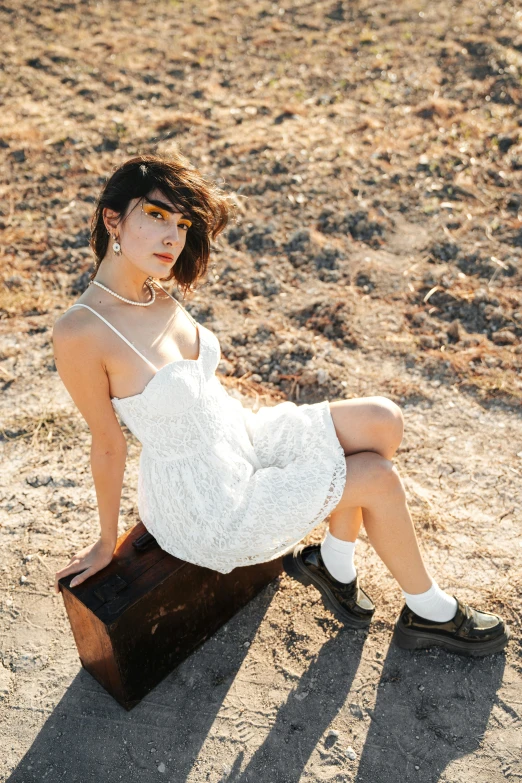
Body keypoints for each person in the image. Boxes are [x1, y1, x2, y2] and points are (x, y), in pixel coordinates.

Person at [52, 152, 510, 658]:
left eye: (181, 224)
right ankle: (430, 612)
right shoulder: (81, 331)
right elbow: (107, 442)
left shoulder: (155, 293)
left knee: (383, 420)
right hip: (207, 503)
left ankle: (334, 566)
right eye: (156, 215)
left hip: (242, 439)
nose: (172, 238)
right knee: (376, 477)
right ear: (112, 217)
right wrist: (104, 540)